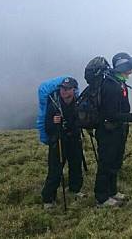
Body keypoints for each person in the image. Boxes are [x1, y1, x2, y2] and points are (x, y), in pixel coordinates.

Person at [94, 52, 132, 208]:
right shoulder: (110, 86)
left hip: (117, 130)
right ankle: (101, 198)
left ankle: (112, 191)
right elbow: (110, 114)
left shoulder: (119, 82)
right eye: (129, 68)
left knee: (115, 161)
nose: (131, 72)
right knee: (106, 163)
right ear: (121, 68)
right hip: (107, 131)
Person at [41, 77, 84, 209]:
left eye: (68, 89)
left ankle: (75, 189)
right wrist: (54, 122)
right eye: (63, 88)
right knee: (55, 170)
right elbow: (47, 127)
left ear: (73, 90)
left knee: (76, 165)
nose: (64, 91)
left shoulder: (79, 103)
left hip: (74, 140)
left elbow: (81, 121)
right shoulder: (53, 104)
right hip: (58, 141)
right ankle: (48, 199)